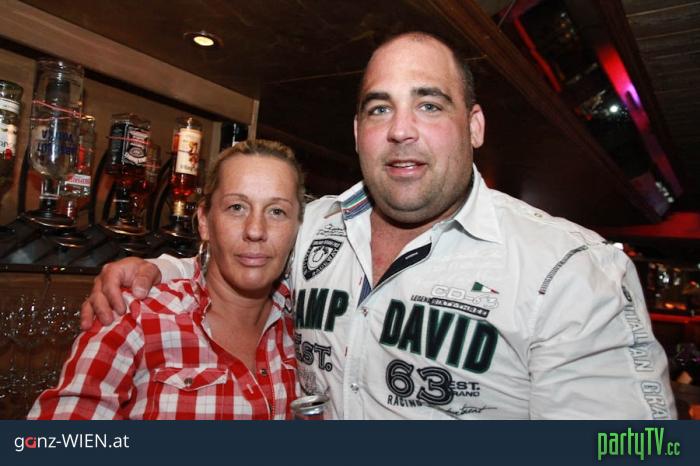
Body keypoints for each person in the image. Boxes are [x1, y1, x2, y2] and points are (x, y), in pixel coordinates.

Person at [82, 32, 676, 420]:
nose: (401, 130)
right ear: (358, 133)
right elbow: (238, 257)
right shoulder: (312, 226)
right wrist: (150, 268)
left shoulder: (571, 271)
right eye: (379, 108)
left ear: (474, 126)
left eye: (429, 104)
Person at [29, 140, 303, 419]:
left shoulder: (305, 325)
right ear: (205, 221)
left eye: (277, 211)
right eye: (236, 207)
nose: (255, 230)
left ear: (299, 228)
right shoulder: (135, 314)